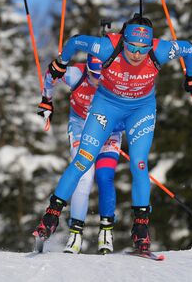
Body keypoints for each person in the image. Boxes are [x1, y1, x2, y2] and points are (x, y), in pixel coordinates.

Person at [33, 13, 192, 252]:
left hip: (140, 109)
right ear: (123, 40)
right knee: (83, 161)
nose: (137, 53)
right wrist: (61, 63)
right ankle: (51, 216)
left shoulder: (160, 50)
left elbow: (188, 48)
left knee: (139, 164)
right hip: (106, 107)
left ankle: (141, 228)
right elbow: (77, 41)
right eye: (132, 46)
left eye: (143, 48)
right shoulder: (106, 46)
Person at [37, 54, 123, 254]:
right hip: (81, 128)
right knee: (84, 176)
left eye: (103, 76)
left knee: (105, 177)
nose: (98, 80)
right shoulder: (76, 74)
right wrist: (46, 100)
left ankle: (106, 233)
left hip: (109, 130)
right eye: (94, 75)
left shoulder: (119, 78)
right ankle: (75, 235)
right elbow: (51, 74)